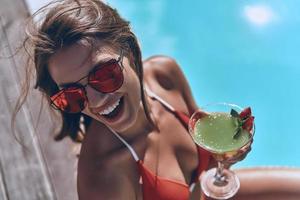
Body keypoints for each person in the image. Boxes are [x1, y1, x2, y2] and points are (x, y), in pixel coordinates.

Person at [15, 0, 251, 199]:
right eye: (72, 95)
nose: (95, 102)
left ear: (128, 49)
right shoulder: (103, 177)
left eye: (104, 74)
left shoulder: (163, 76)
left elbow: (207, 160)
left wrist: (224, 157)